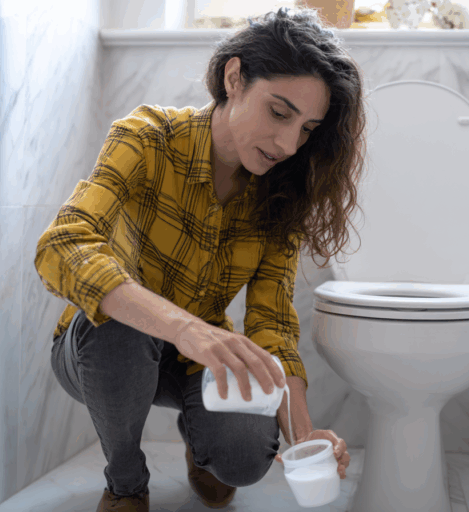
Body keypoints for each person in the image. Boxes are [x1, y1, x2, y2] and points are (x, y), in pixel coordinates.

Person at [36, 6, 367, 511]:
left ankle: (203, 442)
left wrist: (303, 433)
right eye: (279, 113)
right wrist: (186, 328)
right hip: (98, 349)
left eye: (307, 129)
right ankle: (125, 482)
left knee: (243, 460)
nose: (288, 143)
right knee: (122, 328)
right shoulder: (147, 138)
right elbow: (63, 244)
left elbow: (272, 322)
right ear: (234, 78)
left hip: (196, 359)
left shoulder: (282, 195)